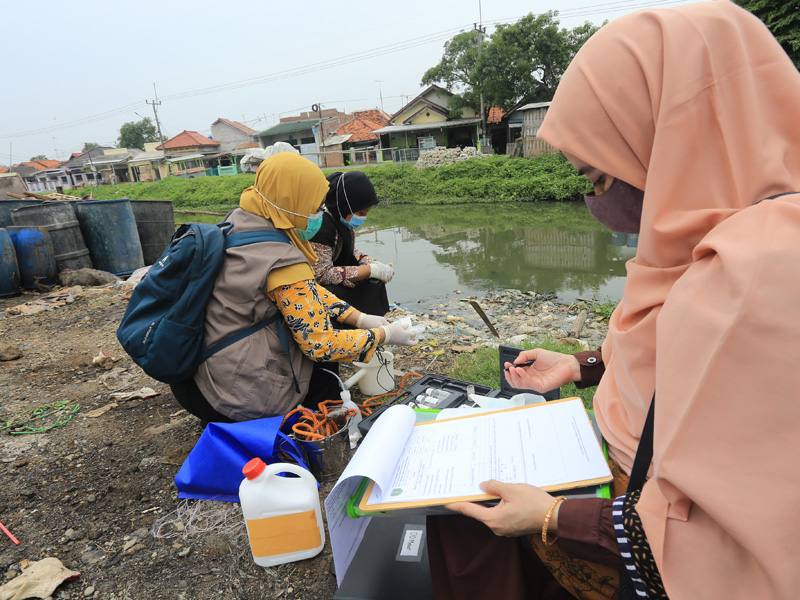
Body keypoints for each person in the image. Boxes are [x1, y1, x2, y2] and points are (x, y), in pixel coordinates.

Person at [428, 2, 800, 599]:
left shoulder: (761, 275)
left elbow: (735, 549)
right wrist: (584, 365)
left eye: (600, 179)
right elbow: (680, 372)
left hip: (638, 547)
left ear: (671, 144)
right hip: (624, 494)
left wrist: (551, 518)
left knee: (460, 526)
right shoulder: (710, 239)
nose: (598, 205)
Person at [169, 153, 418, 423]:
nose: (318, 215)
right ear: (293, 201)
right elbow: (320, 344)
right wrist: (383, 335)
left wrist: (357, 317)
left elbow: (304, 290)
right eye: (314, 206)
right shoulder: (283, 258)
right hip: (231, 396)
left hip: (193, 375)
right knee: (324, 368)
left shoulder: (239, 221)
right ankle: (317, 427)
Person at [309, 171, 394, 316]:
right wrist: (370, 270)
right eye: (360, 213)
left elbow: (348, 250)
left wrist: (371, 262)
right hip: (317, 289)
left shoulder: (341, 221)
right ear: (345, 205)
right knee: (366, 280)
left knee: (375, 283)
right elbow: (321, 274)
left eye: (366, 213)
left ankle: (372, 321)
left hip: (334, 277)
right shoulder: (322, 227)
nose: (363, 218)